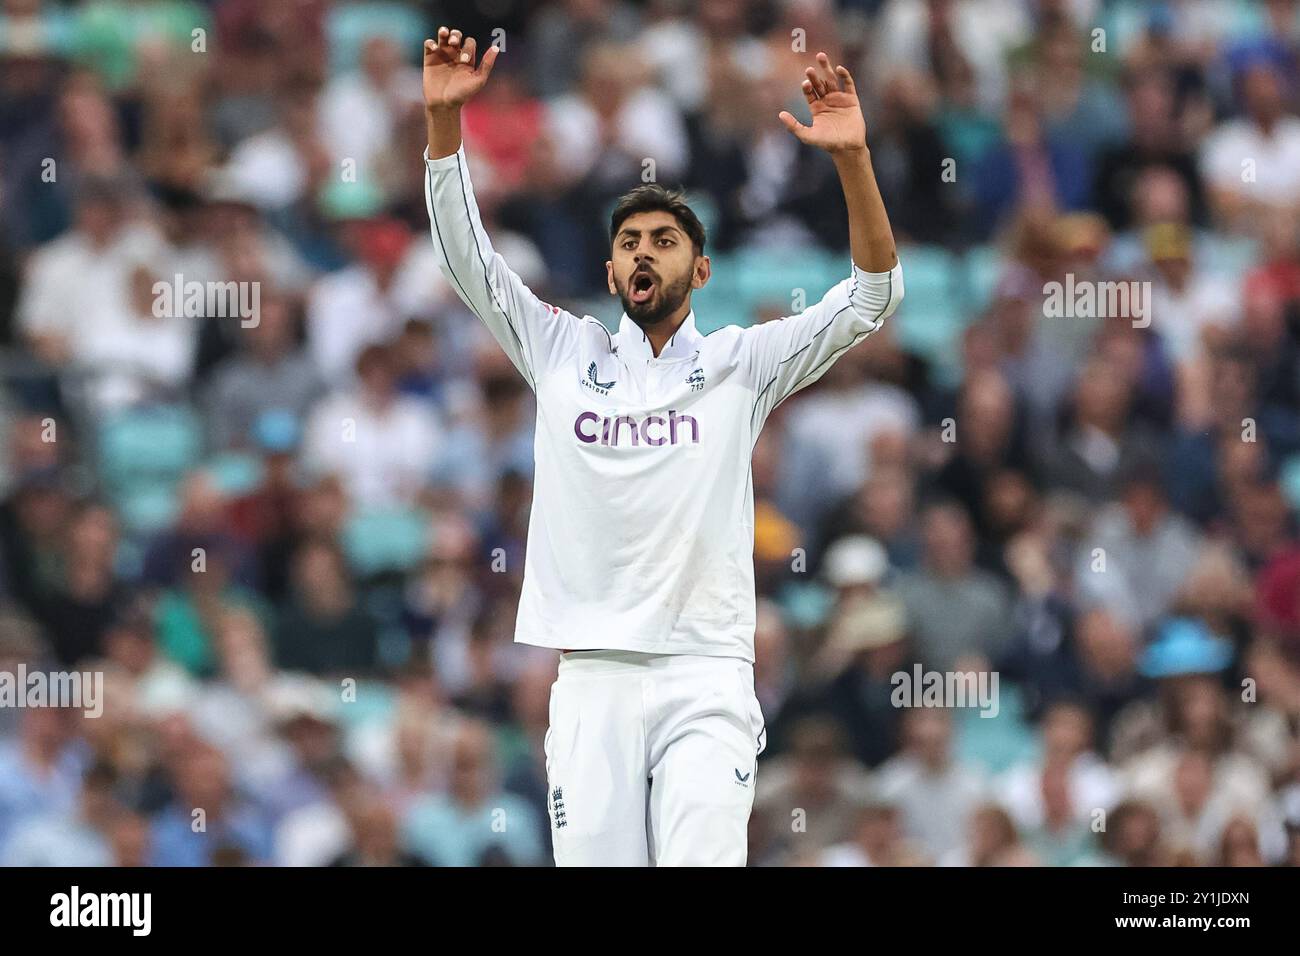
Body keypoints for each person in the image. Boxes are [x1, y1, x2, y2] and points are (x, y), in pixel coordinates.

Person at [422, 25, 903, 866]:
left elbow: (873, 297)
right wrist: (442, 128)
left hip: (706, 673)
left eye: (665, 240)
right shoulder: (561, 350)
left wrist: (854, 160)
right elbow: (469, 262)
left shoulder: (740, 364)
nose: (644, 252)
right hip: (594, 676)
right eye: (629, 244)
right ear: (611, 275)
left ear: (702, 270)